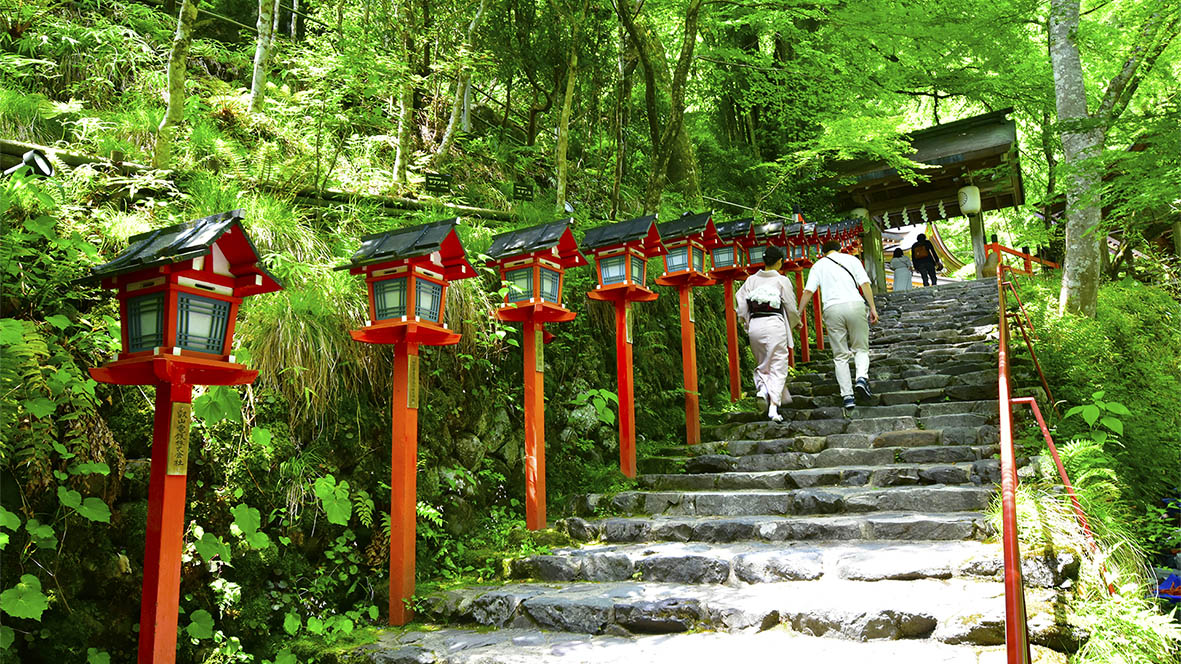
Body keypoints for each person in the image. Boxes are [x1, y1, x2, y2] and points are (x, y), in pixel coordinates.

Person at [798, 239, 878, 411]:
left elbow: (808, 291)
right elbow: (864, 284)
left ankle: (847, 396)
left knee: (840, 355)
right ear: (839, 249)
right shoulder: (852, 260)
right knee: (860, 348)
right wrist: (872, 307)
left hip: (832, 309)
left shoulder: (818, 266)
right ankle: (861, 378)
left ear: (823, 252)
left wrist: (798, 313)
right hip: (855, 305)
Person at [735, 246, 801, 422]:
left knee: (762, 362)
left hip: (755, 324)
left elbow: (740, 302)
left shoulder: (751, 280)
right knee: (778, 364)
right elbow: (791, 307)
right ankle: (773, 407)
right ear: (779, 261)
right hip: (774, 324)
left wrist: (746, 321)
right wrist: (796, 322)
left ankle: (763, 390)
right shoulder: (781, 281)